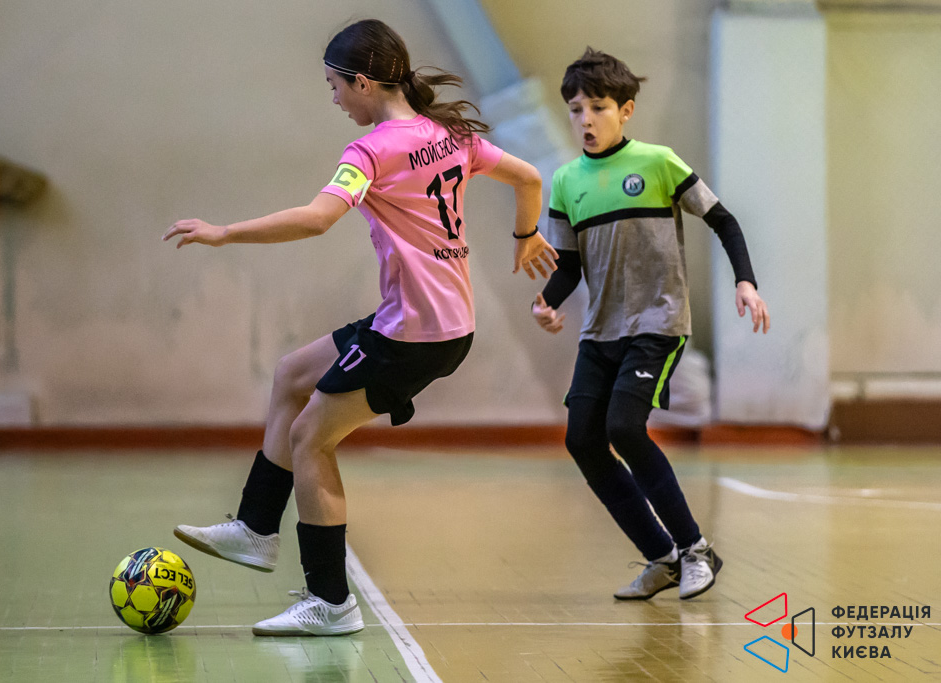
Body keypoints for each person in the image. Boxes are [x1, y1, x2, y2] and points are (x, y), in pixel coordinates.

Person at [162, 19, 557, 636]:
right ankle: (256, 528)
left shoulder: (371, 151)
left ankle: (330, 603)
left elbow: (317, 219)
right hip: (441, 322)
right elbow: (530, 177)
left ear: (364, 83)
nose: (335, 99)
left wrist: (224, 232)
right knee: (293, 374)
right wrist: (526, 234)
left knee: (310, 438)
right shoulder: (449, 135)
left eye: (335, 86)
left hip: (412, 336)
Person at [531, 48, 769, 601]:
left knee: (624, 427)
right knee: (582, 440)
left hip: (657, 323)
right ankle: (662, 558)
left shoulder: (658, 163)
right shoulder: (565, 181)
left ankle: (696, 549)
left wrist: (746, 281)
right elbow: (569, 265)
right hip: (600, 332)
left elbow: (724, 220)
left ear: (626, 110)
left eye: (598, 107)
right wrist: (546, 302)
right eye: (575, 110)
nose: (586, 120)